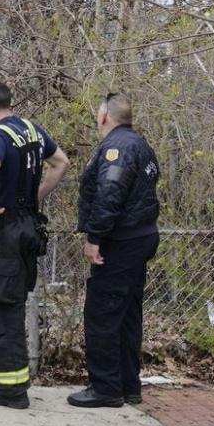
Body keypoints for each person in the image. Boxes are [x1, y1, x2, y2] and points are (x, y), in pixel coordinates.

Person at [0, 80, 69, 409]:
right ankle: (3, 372)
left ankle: (11, 390)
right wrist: (34, 198)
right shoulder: (32, 130)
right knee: (9, 300)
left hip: (3, 232)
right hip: (27, 228)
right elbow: (61, 163)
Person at [69, 92, 160, 408]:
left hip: (120, 241)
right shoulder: (140, 145)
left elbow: (110, 193)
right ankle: (127, 385)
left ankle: (106, 388)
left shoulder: (117, 149)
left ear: (104, 116)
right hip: (139, 238)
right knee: (126, 313)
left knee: (103, 312)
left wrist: (94, 238)